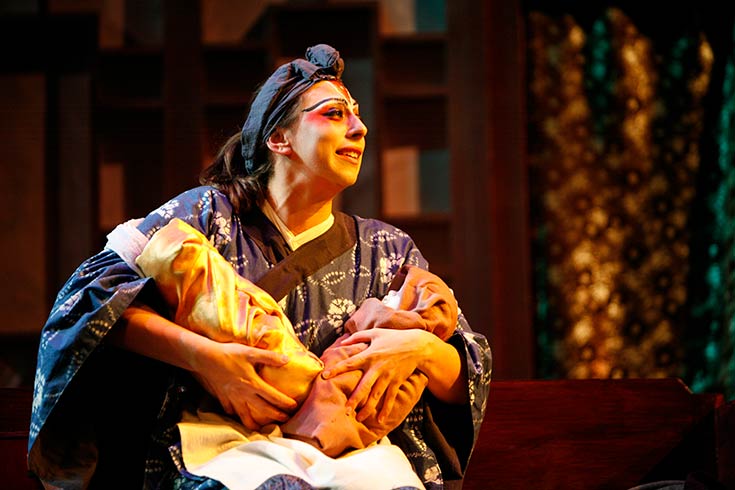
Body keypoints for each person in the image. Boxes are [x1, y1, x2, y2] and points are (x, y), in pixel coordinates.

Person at [28, 44, 492, 489]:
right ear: (278, 138)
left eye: (357, 114)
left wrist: (419, 349)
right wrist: (207, 359)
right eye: (335, 113)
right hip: (216, 450)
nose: (359, 127)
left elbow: (465, 373)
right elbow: (88, 308)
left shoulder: (386, 249)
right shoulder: (205, 217)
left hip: (354, 457)